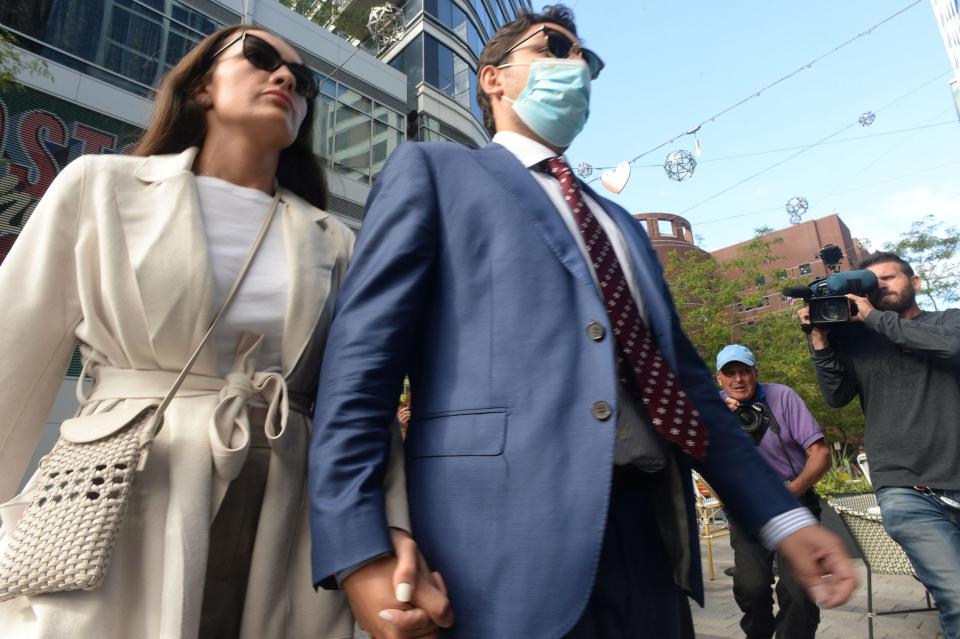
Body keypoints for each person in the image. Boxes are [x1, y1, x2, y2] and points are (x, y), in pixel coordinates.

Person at [309, 5, 856, 638]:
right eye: (556, 49)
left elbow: (686, 389)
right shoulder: (434, 172)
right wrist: (360, 546)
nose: (577, 68)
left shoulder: (620, 223)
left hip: (648, 541)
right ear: (493, 78)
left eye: (586, 62)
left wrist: (784, 520)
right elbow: (360, 369)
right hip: (492, 547)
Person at [0, 25, 447, 639]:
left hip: (285, 506)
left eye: (304, 81)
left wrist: (386, 528)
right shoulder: (100, 187)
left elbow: (358, 400)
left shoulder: (335, 240)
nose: (288, 79)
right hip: (125, 485)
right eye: (262, 60)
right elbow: (12, 358)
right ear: (203, 84)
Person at [801, 251, 960, 639]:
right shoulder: (859, 341)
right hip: (906, 489)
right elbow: (837, 396)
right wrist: (820, 340)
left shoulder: (948, 321)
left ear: (916, 282)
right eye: (872, 283)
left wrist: (873, 318)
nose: (880, 286)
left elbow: (953, 349)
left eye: (888, 278)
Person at [715, 344, 831, 639]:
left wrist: (792, 490)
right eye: (730, 374)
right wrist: (720, 425)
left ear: (755, 373)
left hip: (793, 501)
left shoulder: (783, 397)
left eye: (744, 371)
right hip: (747, 509)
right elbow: (704, 463)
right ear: (720, 379)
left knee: (799, 590)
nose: (738, 379)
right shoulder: (713, 409)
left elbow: (820, 454)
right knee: (751, 587)